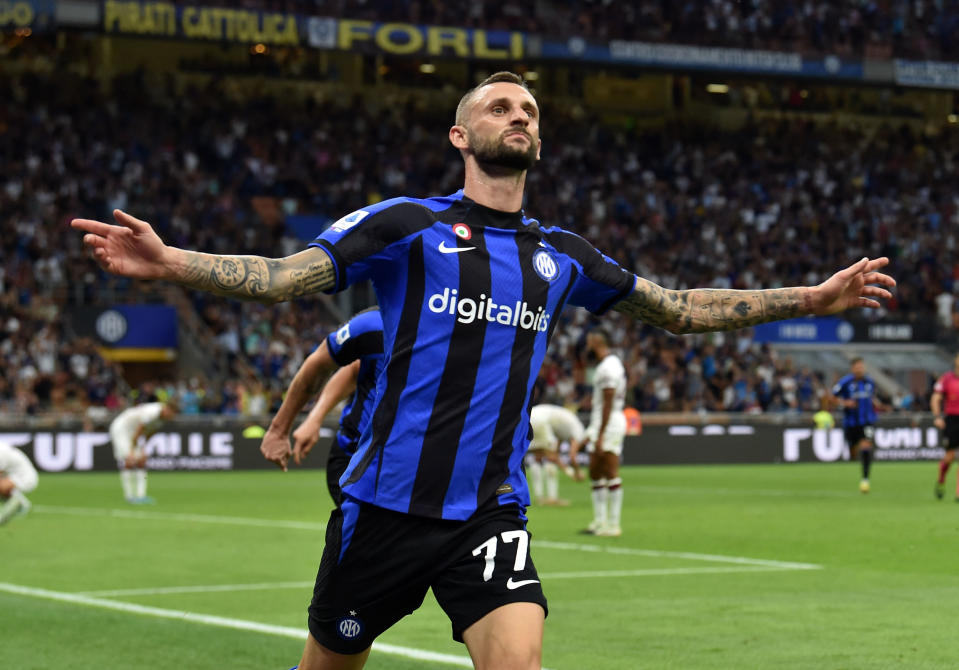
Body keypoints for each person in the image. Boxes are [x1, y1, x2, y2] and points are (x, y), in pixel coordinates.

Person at [72, 71, 895, 670]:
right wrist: (174, 261)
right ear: (461, 136)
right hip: (384, 507)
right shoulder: (405, 225)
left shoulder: (560, 255)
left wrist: (812, 299)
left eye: (529, 110)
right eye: (500, 106)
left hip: (488, 512)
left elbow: (676, 305)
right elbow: (286, 279)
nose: (520, 115)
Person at [266, 308, 384, 507]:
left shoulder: (450, 330)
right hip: (357, 458)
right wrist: (311, 419)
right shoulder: (376, 325)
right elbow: (341, 368)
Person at [578, 328, 628, 537]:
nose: (587, 348)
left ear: (597, 343)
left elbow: (608, 402)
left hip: (610, 423)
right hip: (600, 422)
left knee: (609, 469)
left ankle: (614, 525)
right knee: (595, 471)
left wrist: (600, 433)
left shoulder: (609, 368)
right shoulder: (607, 365)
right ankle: (599, 521)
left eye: (589, 344)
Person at [108, 400, 178, 504]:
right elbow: (139, 429)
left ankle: (141, 495)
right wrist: (132, 448)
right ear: (167, 409)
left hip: (133, 433)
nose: (172, 416)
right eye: (172, 413)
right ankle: (129, 496)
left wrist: (144, 449)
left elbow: (150, 433)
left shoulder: (162, 419)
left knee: (141, 462)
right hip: (122, 428)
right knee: (130, 460)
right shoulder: (153, 412)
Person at [832, 358, 881, 493]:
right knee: (853, 450)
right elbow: (831, 398)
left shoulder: (870, 382)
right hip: (851, 422)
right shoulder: (845, 382)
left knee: (866, 446)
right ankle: (853, 453)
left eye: (861, 367)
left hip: (868, 421)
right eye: (857, 367)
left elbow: (871, 397)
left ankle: (865, 480)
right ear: (852, 368)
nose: (860, 369)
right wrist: (844, 403)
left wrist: (875, 403)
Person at [527, 403, 584, 506]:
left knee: (538, 457)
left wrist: (554, 456)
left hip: (530, 417)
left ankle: (539, 498)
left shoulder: (566, 425)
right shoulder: (579, 431)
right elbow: (572, 456)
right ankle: (552, 498)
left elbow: (557, 445)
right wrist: (575, 472)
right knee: (550, 458)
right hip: (540, 421)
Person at [931, 353, 959, 500]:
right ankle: (941, 479)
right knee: (949, 457)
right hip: (952, 420)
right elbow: (936, 398)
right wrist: (937, 417)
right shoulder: (947, 378)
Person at [0, 441, 38, 526]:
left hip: (25, 478)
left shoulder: (1, 452)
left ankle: (18, 502)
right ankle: (21, 503)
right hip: (13, 476)